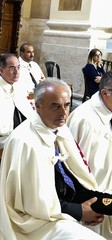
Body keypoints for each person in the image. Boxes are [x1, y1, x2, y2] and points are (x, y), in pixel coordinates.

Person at [0, 78, 112, 240]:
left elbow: (73, 176)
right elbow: (32, 204)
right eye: (55, 106)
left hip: (62, 202)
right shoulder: (25, 141)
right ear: (38, 106)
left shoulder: (59, 129)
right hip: (35, 223)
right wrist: (80, 212)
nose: (63, 112)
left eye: (67, 105)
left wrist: (97, 201)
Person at [67, 71, 112, 238]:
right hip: (90, 200)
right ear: (105, 93)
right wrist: (84, 207)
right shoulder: (84, 119)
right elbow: (73, 167)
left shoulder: (108, 109)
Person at [0, 53, 35, 149]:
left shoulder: (19, 87)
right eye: (12, 68)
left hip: (23, 137)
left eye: (18, 67)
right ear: (1, 70)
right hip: (2, 142)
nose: (16, 72)